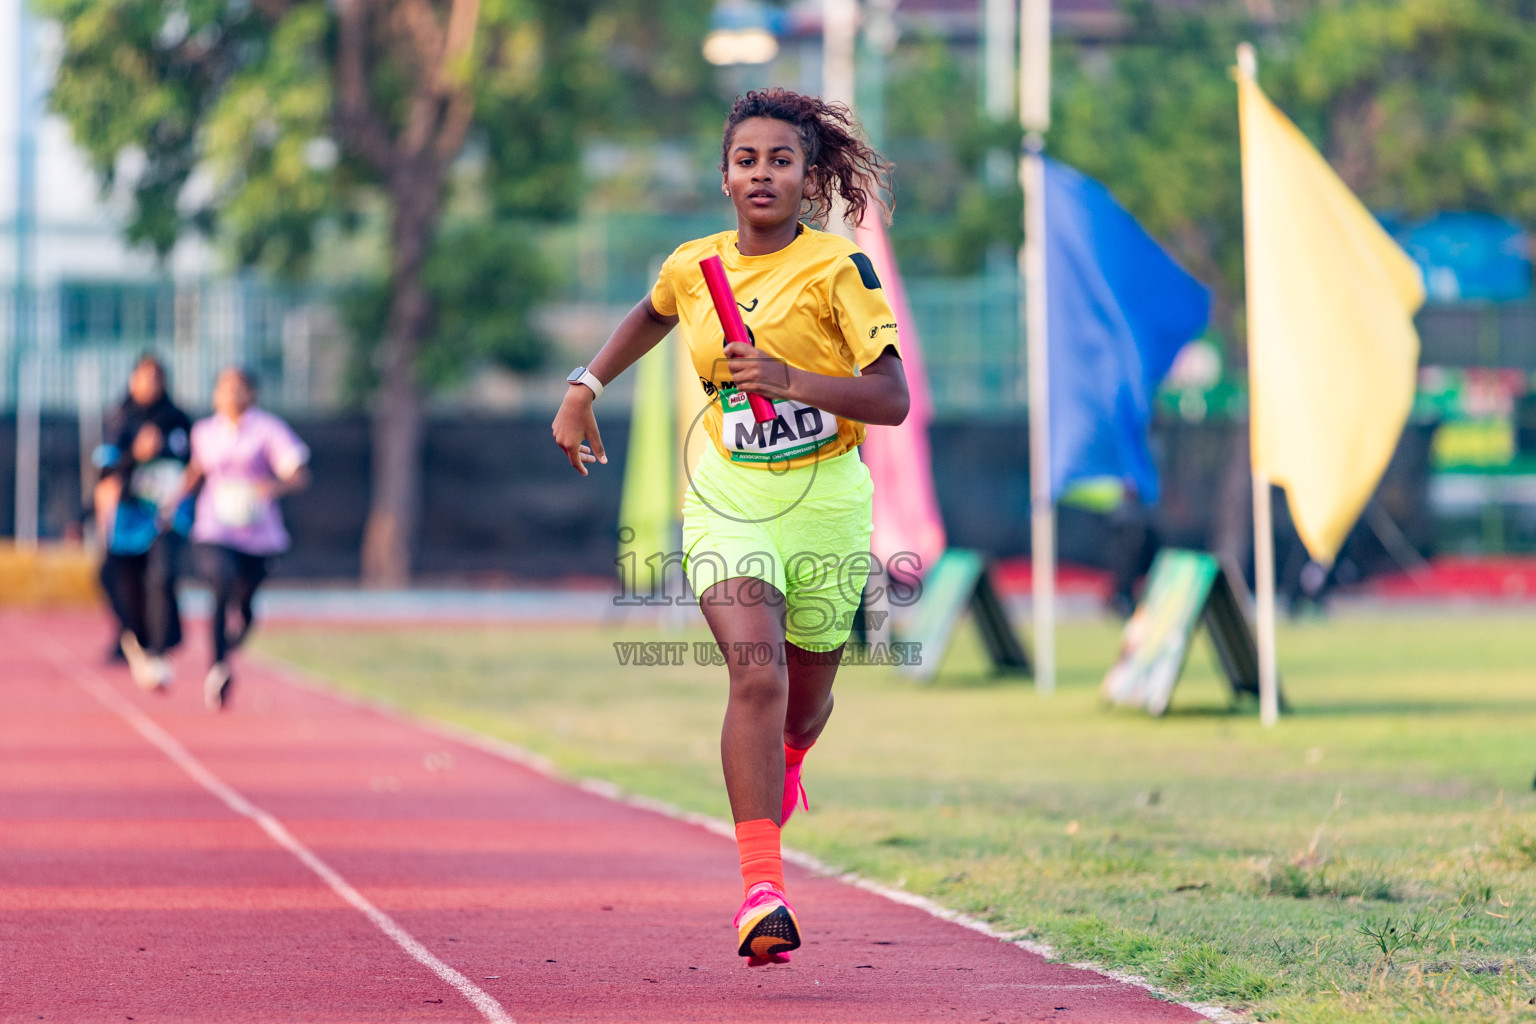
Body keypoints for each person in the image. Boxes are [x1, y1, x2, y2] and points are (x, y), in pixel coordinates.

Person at [551, 89, 908, 966]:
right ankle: (762, 891)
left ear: (809, 177)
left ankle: (786, 759)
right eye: (746, 160)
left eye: (780, 160)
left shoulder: (839, 271)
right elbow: (651, 312)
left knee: (807, 702)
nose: (762, 173)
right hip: (728, 497)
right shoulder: (693, 265)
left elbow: (892, 398)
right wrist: (584, 388)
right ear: (724, 176)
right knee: (756, 674)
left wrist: (790, 376)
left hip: (827, 500)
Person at [183, 367, 310, 710]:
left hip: (258, 532)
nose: (231, 395)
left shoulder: (268, 429)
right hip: (215, 527)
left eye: (239, 388)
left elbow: (298, 473)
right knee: (220, 583)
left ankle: (240, 628)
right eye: (224, 388)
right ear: (215, 395)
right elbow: (196, 471)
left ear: (252, 394)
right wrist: (173, 499)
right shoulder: (204, 432)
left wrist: (272, 486)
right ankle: (218, 665)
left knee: (245, 599)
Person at [95, 354, 193, 690]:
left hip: (167, 518)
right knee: (114, 578)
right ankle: (134, 637)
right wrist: (136, 455)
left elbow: (195, 468)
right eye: (143, 377)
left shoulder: (179, 421)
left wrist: (180, 502)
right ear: (132, 380)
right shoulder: (120, 420)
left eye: (156, 378)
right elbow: (106, 472)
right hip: (128, 518)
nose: (149, 385)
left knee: (161, 576)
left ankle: (158, 649)